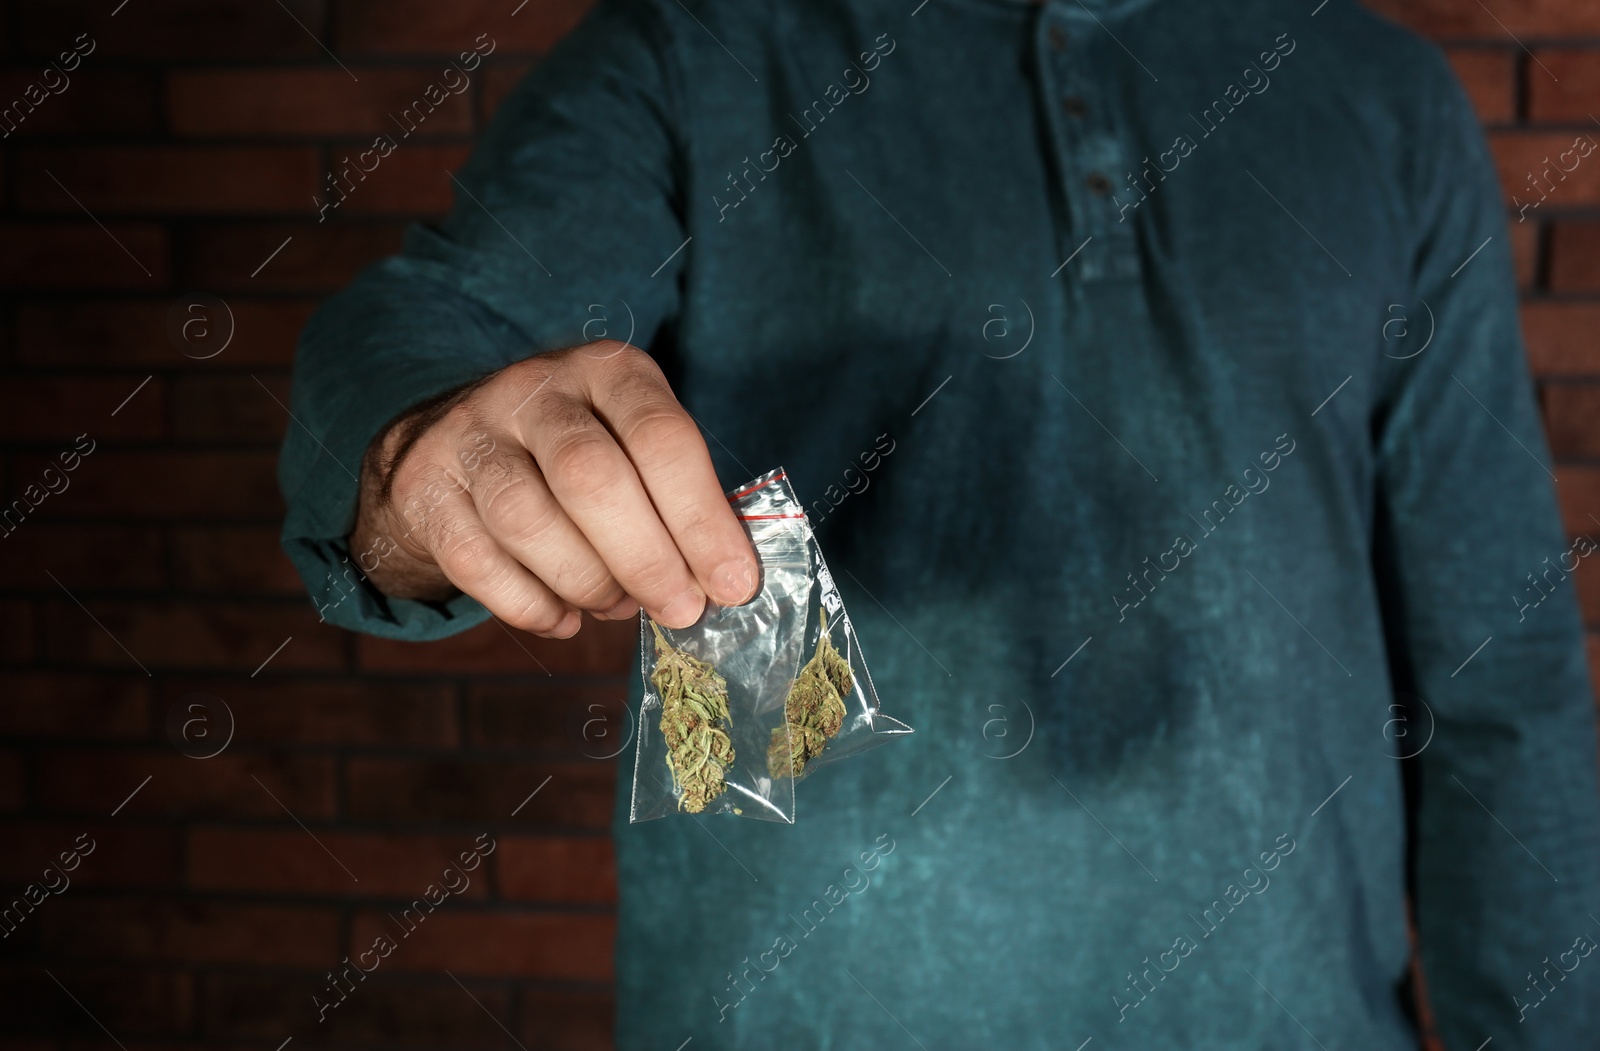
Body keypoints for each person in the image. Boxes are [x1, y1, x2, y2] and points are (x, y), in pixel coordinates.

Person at [278, 0, 1600, 1046]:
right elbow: (442, 328)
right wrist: (422, 443)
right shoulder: (693, 46)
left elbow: (1505, 687)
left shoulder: (1378, 100)